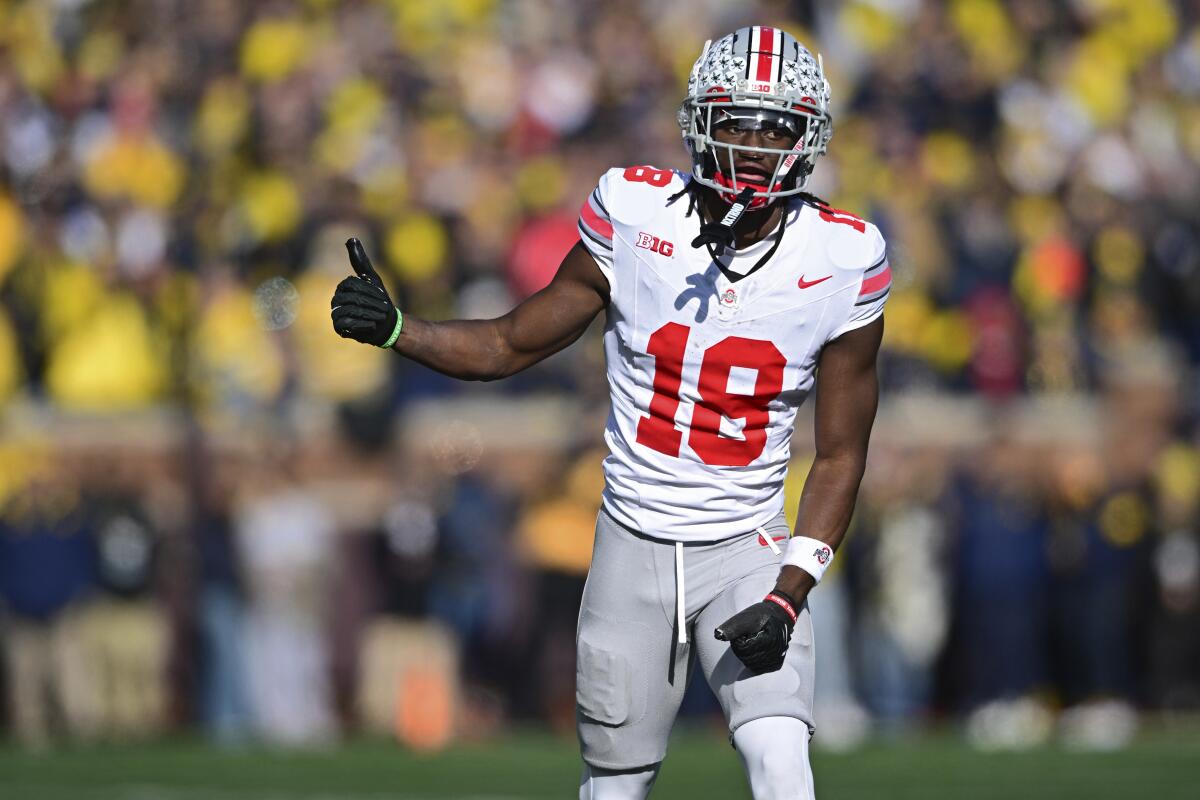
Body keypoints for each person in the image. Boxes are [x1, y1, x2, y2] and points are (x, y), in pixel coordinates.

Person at [331, 26, 890, 800]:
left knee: (781, 759)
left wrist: (790, 588)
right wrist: (400, 329)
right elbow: (508, 343)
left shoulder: (843, 258)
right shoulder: (636, 216)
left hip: (746, 542)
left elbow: (840, 455)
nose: (755, 144)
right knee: (615, 783)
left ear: (809, 138)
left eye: (777, 127)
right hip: (634, 537)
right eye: (736, 121)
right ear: (699, 123)